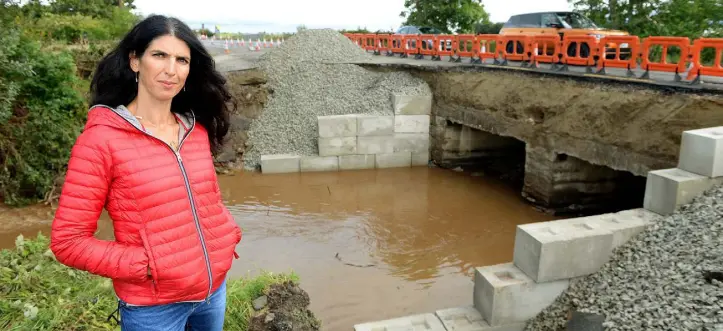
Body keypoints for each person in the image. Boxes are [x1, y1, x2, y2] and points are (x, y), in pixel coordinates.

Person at [49, 14, 241, 331]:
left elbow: (209, 201)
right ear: (135, 61)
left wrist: (226, 236)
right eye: (159, 55)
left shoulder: (195, 130)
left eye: (182, 60)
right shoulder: (101, 140)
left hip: (213, 292)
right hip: (155, 309)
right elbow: (68, 241)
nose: (171, 69)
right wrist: (148, 266)